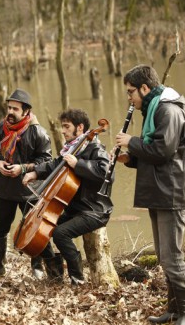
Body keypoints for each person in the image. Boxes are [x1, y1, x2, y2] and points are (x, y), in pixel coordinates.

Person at [114, 65, 185, 325]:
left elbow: (162, 150)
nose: (129, 98)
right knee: (164, 257)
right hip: (161, 191)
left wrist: (131, 141)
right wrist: (129, 158)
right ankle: (174, 310)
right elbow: (154, 153)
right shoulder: (153, 109)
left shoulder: (168, 109)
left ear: (145, 88)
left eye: (131, 92)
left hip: (172, 194)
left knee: (172, 258)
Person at [22, 108, 113, 286]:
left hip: (94, 210)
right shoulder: (74, 148)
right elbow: (56, 164)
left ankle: (77, 278)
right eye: (62, 127)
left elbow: (105, 172)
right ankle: (55, 275)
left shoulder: (95, 148)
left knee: (60, 233)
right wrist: (35, 173)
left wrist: (79, 164)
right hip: (76, 209)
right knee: (44, 227)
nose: (62, 131)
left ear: (80, 128)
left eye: (66, 126)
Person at [0, 88, 52, 278]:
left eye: (15, 109)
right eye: (9, 108)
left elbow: (46, 163)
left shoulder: (38, 132)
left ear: (26, 111)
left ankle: (37, 267)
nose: (11, 112)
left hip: (30, 189)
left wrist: (22, 168)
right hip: (4, 188)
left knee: (35, 230)